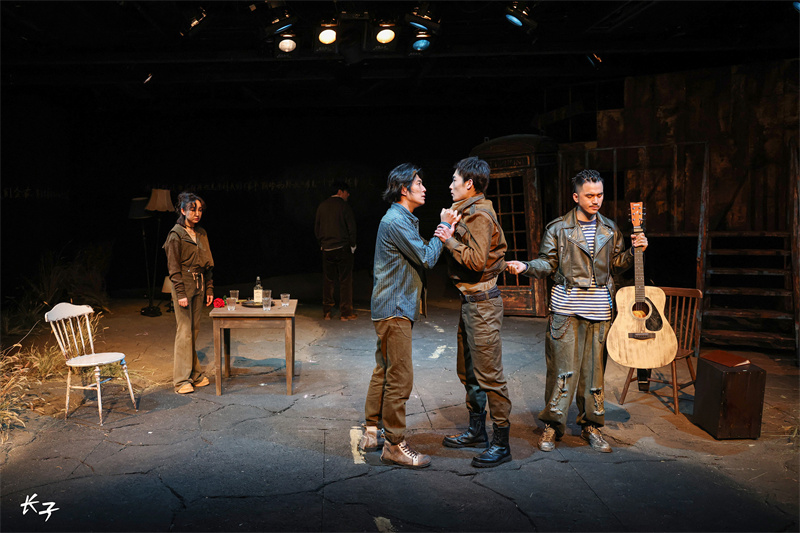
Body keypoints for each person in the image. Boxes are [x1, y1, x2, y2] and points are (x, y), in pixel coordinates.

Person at [507, 169, 648, 453]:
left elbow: (616, 264)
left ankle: (591, 426)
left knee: (594, 375)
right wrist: (527, 266)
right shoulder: (558, 228)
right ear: (576, 197)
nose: (596, 200)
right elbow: (547, 263)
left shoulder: (610, 229)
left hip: (599, 311)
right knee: (561, 372)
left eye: (600, 195)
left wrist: (635, 252)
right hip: (566, 310)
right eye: (590, 195)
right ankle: (552, 426)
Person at [359, 163, 458, 469]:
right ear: (404, 189)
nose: (424, 188)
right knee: (400, 377)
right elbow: (427, 258)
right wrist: (443, 230)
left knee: (384, 370)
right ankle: (394, 445)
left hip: (389, 307)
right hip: (396, 308)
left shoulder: (400, 219)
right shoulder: (396, 222)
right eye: (418, 184)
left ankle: (372, 431)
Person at [433, 156, 513, 468]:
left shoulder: (479, 214)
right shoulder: (467, 211)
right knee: (469, 372)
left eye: (454, 180)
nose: (450, 185)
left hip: (483, 305)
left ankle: (501, 443)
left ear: (469, 184)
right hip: (471, 302)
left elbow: (477, 261)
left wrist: (448, 239)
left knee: (489, 375)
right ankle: (477, 431)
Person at [164, 192, 215, 395]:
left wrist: (209, 287)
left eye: (200, 210)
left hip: (199, 284)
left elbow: (208, 263)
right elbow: (173, 268)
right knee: (184, 332)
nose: (197, 213)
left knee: (194, 331)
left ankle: (195, 374)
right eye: (192, 209)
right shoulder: (175, 235)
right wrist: (180, 293)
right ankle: (181, 380)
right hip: (183, 285)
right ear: (183, 210)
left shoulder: (201, 233)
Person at [314, 181, 358, 321]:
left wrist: (322, 243)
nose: (348, 195)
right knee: (345, 281)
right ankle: (345, 313)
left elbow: (317, 228)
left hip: (327, 248)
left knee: (328, 281)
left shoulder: (322, 206)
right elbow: (351, 228)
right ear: (340, 191)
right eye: (346, 192)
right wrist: (352, 245)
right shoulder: (344, 206)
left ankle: (327, 312)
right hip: (342, 248)